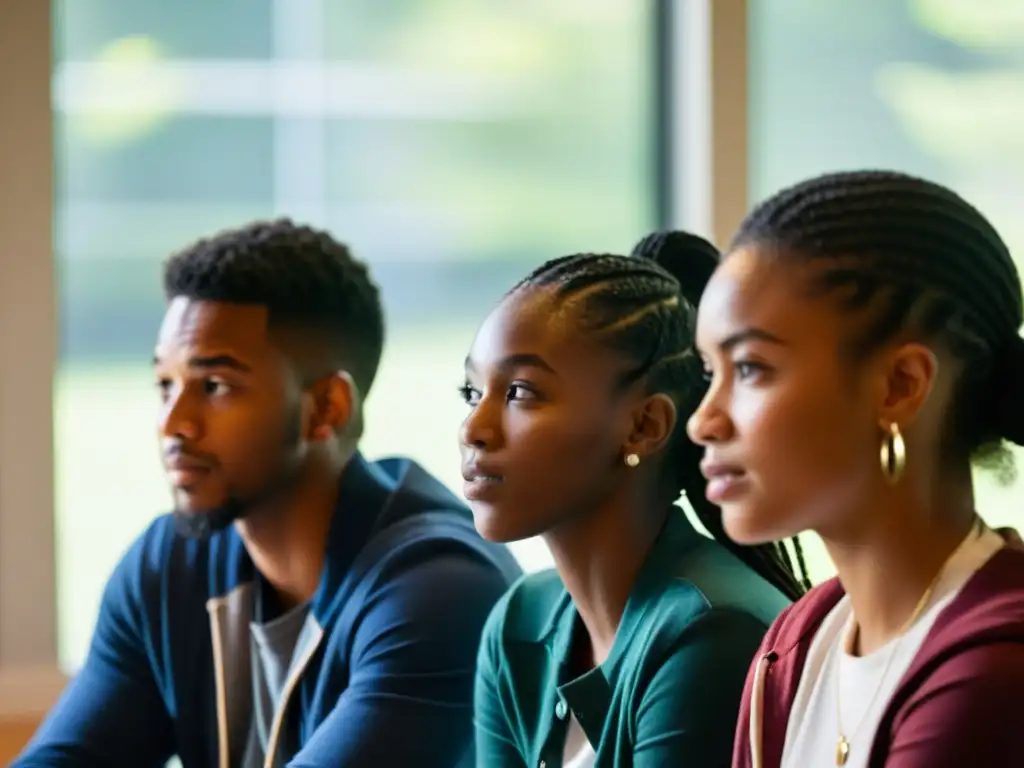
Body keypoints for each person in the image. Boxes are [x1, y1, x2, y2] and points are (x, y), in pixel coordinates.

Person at [16, 219, 522, 768]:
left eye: (215, 386)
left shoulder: (441, 589)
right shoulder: (167, 567)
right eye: (165, 384)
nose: (173, 423)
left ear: (326, 408)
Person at [687, 170, 1024, 768]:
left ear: (900, 386)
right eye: (710, 373)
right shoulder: (795, 645)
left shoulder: (995, 668)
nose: (703, 422)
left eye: (751, 369)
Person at [463, 230, 808, 768]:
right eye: (471, 392)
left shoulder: (713, 632)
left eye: (520, 393)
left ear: (645, 426)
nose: (474, 428)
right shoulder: (518, 622)